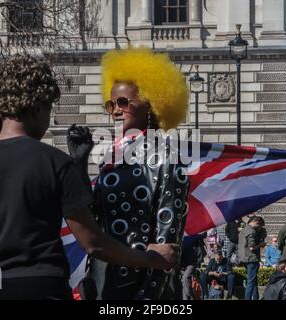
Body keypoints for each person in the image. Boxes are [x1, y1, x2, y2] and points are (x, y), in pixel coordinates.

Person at [0, 55, 180, 300]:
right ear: (37, 108)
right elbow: (92, 242)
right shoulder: (55, 163)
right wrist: (149, 258)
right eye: (49, 110)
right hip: (43, 285)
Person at [72, 47, 190, 300]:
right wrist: (79, 165)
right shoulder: (110, 160)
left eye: (124, 102)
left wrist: (146, 297)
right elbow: (90, 219)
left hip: (143, 287)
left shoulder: (168, 158)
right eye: (111, 104)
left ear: (150, 103)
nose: (116, 110)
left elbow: (166, 246)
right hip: (104, 280)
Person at [238, 216, 266, 300]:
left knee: (253, 281)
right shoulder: (251, 232)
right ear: (256, 222)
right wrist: (261, 245)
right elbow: (252, 247)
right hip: (251, 259)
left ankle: (256, 298)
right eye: (259, 225)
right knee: (250, 282)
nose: (259, 227)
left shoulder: (244, 229)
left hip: (244, 258)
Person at [180, 232, 206, 300]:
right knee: (185, 281)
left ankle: (186, 298)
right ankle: (191, 297)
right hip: (181, 261)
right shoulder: (179, 232)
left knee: (185, 278)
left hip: (192, 261)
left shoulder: (192, 232)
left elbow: (203, 234)